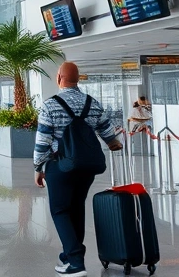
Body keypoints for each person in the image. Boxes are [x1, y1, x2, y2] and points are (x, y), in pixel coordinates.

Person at [34, 62, 123, 277]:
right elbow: (106, 130)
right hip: (87, 167)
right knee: (76, 208)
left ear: (59, 78)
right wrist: (113, 143)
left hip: (60, 166)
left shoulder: (50, 105)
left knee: (60, 210)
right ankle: (68, 257)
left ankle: (75, 261)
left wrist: (38, 167)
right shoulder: (92, 103)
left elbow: (43, 140)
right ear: (78, 78)